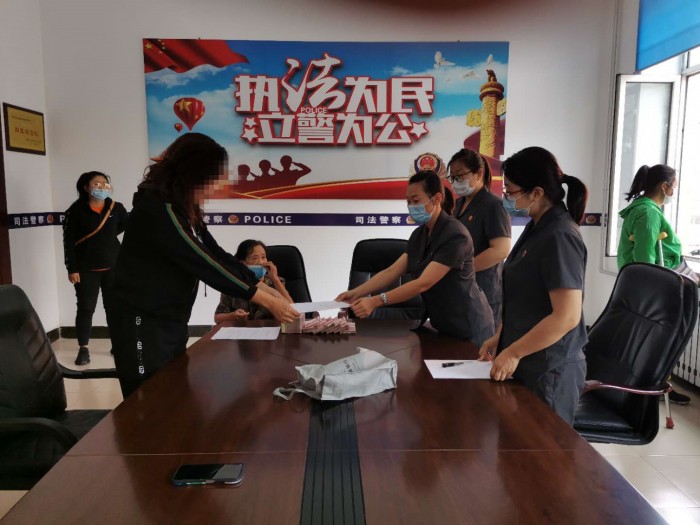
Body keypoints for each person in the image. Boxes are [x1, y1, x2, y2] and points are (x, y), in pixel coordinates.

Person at [109, 133, 299, 397]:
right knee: (147, 398)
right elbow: (204, 263)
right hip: (142, 320)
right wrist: (267, 301)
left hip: (171, 318)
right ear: (193, 175)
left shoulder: (184, 208)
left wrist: (266, 289)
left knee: (172, 391)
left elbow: (216, 254)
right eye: (213, 179)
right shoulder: (159, 209)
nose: (216, 186)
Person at [478, 146, 588, 425]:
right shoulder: (538, 226)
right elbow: (526, 297)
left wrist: (513, 351)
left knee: (543, 448)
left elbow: (567, 316)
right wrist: (501, 337)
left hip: (549, 369)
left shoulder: (560, 235)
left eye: (511, 191)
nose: (506, 197)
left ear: (537, 193)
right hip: (528, 359)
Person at [336, 170, 494, 346]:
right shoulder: (419, 235)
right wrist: (355, 292)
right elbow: (392, 271)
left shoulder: (456, 236)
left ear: (437, 199)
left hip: (470, 325)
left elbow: (423, 283)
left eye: (416, 201)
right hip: (442, 322)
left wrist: (375, 301)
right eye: (408, 201)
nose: (411, 206)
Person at [617, 164, 695, 405]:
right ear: (664, 186)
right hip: (653, 286)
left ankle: (655, 383)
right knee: (661, 338)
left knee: (655, 338)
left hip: (649, 282)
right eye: (674, 186)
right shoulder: (648, 213)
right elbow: (645, 258)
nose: (674, 191)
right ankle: (651, 385)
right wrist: (654, 292)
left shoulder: (643, 209)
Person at [63, 171, 128, 366]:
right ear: (86, 187)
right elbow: (68, 242)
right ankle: (83, 349)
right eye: (96, 183)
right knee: (86, 308)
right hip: (85, 269)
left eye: (105, 183)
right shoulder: (75, 211)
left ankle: (118, 344)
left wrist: (106, 239)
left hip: (113, 267)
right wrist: (72, 268)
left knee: (114, 308)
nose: (102, 187)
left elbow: (124, 226)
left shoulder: (116, 208)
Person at [448, 148, 511, 325]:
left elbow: (501, 250)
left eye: (460, 175)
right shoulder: (458, 204)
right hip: (461, 289)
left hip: (484, 291)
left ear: (479, 173)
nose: (456, 181)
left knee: (482, 340)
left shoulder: (493, 205)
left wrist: (465, 270)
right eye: (453, 177)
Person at [215, 239, 293, 322]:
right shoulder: (234, 283)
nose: (261, 262)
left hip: (270, 328)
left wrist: (275, 278)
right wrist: (232, 316)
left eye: (263, 257)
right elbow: (217, 318)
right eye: (254, 258)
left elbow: (292, 307)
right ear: (242, 263)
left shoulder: (276, 282)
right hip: (243, 329)